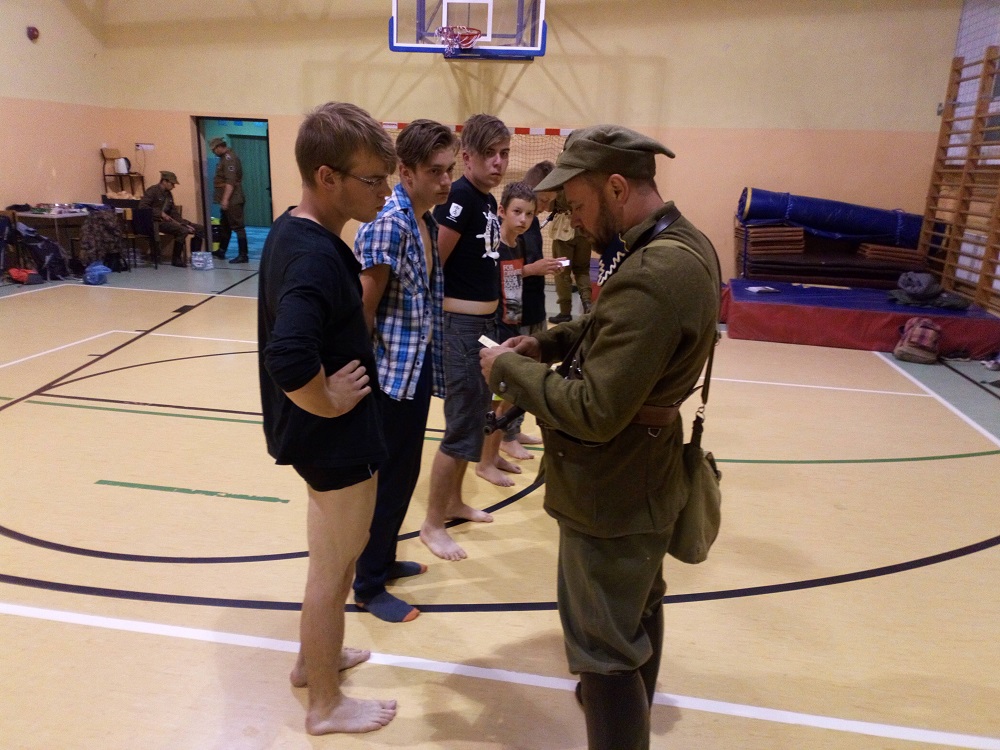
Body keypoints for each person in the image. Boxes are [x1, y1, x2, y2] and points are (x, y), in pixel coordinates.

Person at [479, 125, 721, 750]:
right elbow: (616, 327)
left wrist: (509, 370)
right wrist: (549, 343)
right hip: (647, 473)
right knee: (639, 606)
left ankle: (617, 712)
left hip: (612, 486)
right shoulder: (681, 242)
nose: (577, 221)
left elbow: (593, 410)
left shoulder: (654, 270)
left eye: (580, 205)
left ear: (616, 188)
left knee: (603, 648)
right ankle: (623, 707)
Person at [257, 101, 398, 736]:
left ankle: (312, 659)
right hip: (333, 442)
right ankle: (325, 704)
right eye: (373, 179)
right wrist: (328, 400)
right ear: (327, 176)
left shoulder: (295, 232)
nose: (385, 192)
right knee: (334, 566)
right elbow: (289, 357)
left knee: (335, 557)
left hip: (325, 441)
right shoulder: (314, 256)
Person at [352, 120, 457, 623]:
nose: (445, 181)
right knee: (388, 482)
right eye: (435, 171)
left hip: (413, 372)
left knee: (404, 475)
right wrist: (363, 383)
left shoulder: (425, 223)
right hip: (388, 380)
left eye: (449, 169)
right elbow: (364, 309)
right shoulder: (389, 224)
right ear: (406, 171)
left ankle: (384, 559)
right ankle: (368, 586)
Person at [419, 113, 511, 561]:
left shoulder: (487, 200)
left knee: (475, 417)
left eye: (504, 154)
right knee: (459, 424)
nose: (498, 163)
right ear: (468, 157)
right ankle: (432, 524)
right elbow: (434, 262)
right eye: (489, 154)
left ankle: (454, 501)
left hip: (484, 328)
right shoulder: (459, 196)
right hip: (460, 328)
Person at [498, 161, 562, 460]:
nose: (546, 207)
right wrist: (532, 269)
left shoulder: (532, 224)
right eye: (545, 199)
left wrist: (544, 268)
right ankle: (506, 435)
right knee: (515, 378)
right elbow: (505, 273)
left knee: (533, 374)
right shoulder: (506, 233)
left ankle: (515, 427)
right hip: (516, 312)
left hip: (535, 307)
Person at [138, 170, 206, 267]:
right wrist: (160, 213)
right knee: (183, 231)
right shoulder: (152, 191)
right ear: (164, 181)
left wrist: (184, 223)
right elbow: (143, 207)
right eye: (172, 183)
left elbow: (174, 213)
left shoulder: (168, 194)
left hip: (168, 221)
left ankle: (196, 258)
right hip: (156, 222)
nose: (173, 186)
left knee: (199, 228)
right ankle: (176, 259)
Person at [547, 191, 594, 324]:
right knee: (582, 270)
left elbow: (549, 207)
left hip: (564, 231)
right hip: (584, 229)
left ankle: (565, 312)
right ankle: (587, 305)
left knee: (562, 271)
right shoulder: (587, 182)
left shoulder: (558, 184)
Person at [209, 136, 249, 263]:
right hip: (228, 199)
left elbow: (230, 182)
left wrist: (225, 199)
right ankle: (221, 251)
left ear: (220, 147)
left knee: (238, 226)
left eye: (214, 149)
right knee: (225, 226)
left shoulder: (229, 159)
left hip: (233, 199)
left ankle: (243, 255)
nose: (213, 152)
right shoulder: (223, 158)